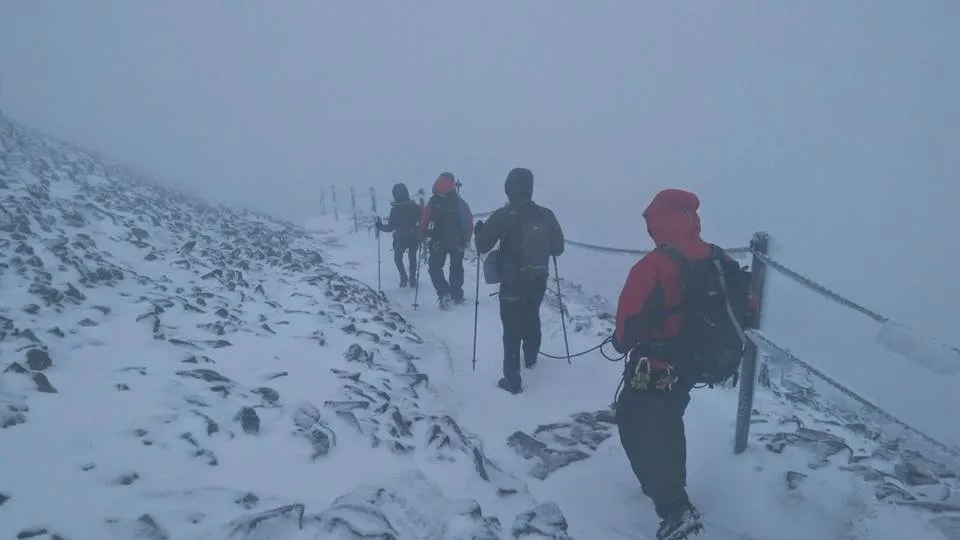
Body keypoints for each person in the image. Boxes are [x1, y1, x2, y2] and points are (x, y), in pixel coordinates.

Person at [610, 188, 754, 540]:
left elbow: (626, 331)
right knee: (668, 419)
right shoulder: (720, 259)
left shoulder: (652, 266)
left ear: (659, 221)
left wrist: (620, 341)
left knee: (635, 420)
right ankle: (671, 490)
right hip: (696, 361)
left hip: (657, 363)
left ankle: (674, 507)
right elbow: (747, 307)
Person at [473, 167, 564, 395]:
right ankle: (531, 357)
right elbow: (558, 248)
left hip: (512, 280)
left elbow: (483, 246)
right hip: (538, 278)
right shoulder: (546, 215)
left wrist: (479, 233)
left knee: (511, 328)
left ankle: (512, 380)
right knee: (532, 313)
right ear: (530, 188)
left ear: (509, 188)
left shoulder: (502, 215)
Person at [417, 172, 473, 309]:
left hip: (438, 240)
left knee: (435, 268)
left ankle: (444, 293)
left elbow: (424, 220)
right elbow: (468, 221)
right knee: (456, 267)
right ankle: (456, 294)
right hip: (457, 240)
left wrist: (421, 234)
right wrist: (467, 239)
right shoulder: (459, 201)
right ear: (452, 183)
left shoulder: (434, 201)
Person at [375, 183, 422, 288]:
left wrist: (380, 226)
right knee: (412, 257)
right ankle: (412, 278)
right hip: (413, 236)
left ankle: (403, 278)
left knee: (398, 258)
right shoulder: (415, 207)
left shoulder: (395, 210)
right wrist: (420, 231)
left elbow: (390, 228)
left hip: (400, 238)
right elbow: (422, 222)